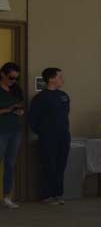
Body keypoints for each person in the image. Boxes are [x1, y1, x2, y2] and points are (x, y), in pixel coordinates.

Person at [29, 67, 70, 203]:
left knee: (60, 165)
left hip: (63, 135)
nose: (62, 79)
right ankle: (47, 195)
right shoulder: (40, 98)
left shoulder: (63, 96)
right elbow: (33, 119)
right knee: (49, 165)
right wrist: (44, 132)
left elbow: (65, 114)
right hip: (48, 137)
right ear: (51, 79)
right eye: (59, 77)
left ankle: (58, 194)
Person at [0, 62, 25, 208]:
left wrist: (18, 111)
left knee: (10, 163)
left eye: (16, 78)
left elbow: (20, 105)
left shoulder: (16, 89)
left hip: (15, 130)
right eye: (11, 78)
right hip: (1, 131)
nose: (13, 81)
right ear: (2, 74)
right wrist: (8, 110)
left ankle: (7, 196)